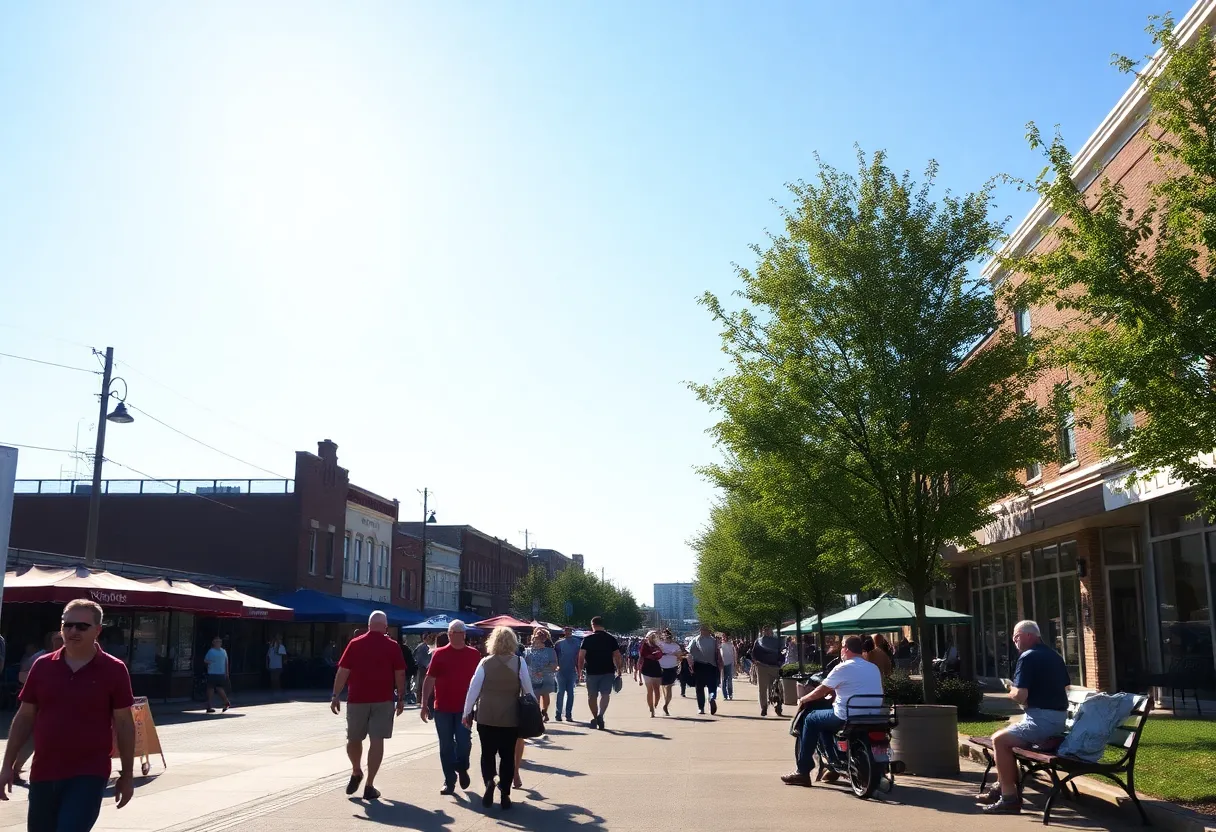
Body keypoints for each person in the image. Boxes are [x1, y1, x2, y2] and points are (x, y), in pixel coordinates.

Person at [0, 599, 136, 830]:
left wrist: (127, 775)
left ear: (97, 630)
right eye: (68, 625)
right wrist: (6, 766)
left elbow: (124, 724)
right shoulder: (42, 666)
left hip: (89, 773)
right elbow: (24, 717)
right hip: (44, 772)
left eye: (82, 626)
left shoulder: (114, 669)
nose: (73, 631)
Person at [980, 620, 1070, 815]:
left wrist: (1010, 691)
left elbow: (1020, 695)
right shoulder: (1055, 656)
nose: (1014, 641)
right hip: (1057, 719)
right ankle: (1001, 785)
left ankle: (1009, 798)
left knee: (1000, 741)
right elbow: (1065, 687)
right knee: (1000, 737)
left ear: (1029, 636)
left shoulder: (1028, 657)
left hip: (1041, 722)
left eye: (1016, 636)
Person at [781, 635, 884, 787]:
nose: (841, 650)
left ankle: (802, 771)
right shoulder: (872, 667)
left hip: (847, 715)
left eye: (842, 646)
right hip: (872, 714)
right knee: (824, 722)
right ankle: (833, 763)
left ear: (846, 649)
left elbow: (821, 690)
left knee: (811, 719)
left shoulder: (843, 667)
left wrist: (804, 699)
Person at [330, 611, 406, 802]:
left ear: (369, 625)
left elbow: (343, 671)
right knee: (377, 740)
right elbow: (400, 673)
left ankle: (356, 770)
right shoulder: (392, 646)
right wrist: (401, 697)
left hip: (357, 699)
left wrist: (335, 695)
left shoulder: (355, 644)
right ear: (385, 626)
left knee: (353, 738)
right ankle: (369, 785)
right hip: (383, 700)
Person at [463, 626, 534, 810]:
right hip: (510, 716)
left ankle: (489, 781)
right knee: (507, 755)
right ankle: (505, 793)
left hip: (486, 715)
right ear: (513, 642)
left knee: (487, 753)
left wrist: (466, 711)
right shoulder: (519, 662)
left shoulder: (485, 662)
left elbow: (473, 689)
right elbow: (528, 689)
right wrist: (534, 709)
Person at [421, 620, 479, 796]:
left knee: (464, 741)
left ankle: (462, 766)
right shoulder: (439, 654)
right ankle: (449, 780)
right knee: (446, 745)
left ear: (464, 635)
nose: (455, 635)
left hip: (465, 708)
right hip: (442, 707)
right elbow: (429, 679)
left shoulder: (474, 654)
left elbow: (480, 681)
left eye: (459, 632)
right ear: (449, 634)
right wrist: (424, 704)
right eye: (452, 633)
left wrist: (479, 702)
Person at [576, 616, 622, 730]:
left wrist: (580, 672)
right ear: (603, 624)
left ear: (593, 624)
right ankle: (601, 715)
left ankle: (595, 716)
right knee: (605, 694)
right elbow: (617, 656)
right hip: (608, 671)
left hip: (592, 671)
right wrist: (619, 670)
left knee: (592, 695)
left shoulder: (587, 639)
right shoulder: (611, 638)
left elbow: (581, 657)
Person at [687, 624, 723, 716]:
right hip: (711, 666)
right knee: (712, 686)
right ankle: (711, 699)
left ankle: (702, 707)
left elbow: (689, 651)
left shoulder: (696, 640)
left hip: (700, 666)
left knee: (700, 688)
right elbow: (718, 653)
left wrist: (690, 663)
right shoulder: (714, 641)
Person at [524, 628, 557, 721]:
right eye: (535, 637)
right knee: (535, 697)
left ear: (545, 639)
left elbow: (554, 665)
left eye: (539, 637)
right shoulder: (528, 651)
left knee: (545, 695)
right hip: (532, 677)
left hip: (546, 677)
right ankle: (538, 715)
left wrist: (543, 672)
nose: (536, 639)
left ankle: (544, 711)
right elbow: (524, 663)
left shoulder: (550, 651)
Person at [751, 625, 784, 717]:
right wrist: (755, 661)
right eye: (765, 630)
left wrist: (780, 662)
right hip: (762, 666)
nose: (766, 631)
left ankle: (777, 704)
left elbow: (782, 652)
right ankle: (764, 707)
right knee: (762, 688)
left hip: (774, 667)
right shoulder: (759, 641)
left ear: (771, 631)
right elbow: (753, 653)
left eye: (768, 630)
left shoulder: (777, 641)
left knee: (775, 687)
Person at [553, 626, 579, 722]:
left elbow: (578, 657)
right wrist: (556, 667)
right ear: (564, 632)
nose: (568, 632)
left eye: (569, 631)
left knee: (570, 693)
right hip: (561, 671)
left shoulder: (577, 642)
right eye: (566, 631)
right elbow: (555, 657)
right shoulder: (559, 643)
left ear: (572, 632)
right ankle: (558, 714)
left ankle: (568, 714)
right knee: (560, 692)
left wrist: (579, 670)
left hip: (572, 670)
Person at [203, 637, 232, 714]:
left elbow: (226, 662)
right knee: (214, 688)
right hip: (213, 672)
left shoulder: (223, 651)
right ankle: (211, 705)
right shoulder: (211, 651)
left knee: (215, 688)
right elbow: (205, 660)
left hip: (219, 673)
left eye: (220, 642)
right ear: (213, 643)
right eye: (217, 641)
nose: (219, 643)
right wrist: (210, 663)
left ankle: (224, 702)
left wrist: (227, 673)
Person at [657, 629, 682, 715]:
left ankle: (666, 704)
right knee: (663, 686)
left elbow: (680, 656)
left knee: (669, 687)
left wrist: (676, 654)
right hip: (661, 668)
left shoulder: (675, 646)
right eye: (665, 636)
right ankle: (664, 702)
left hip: (672, 667)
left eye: (668, 637)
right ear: (662, 637)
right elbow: (655, 653)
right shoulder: (659, 645)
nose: (667, 638)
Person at [639, 630, 663, 717]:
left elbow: (661, 655)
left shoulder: (658, 646)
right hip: (646, 669)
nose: (653, 637)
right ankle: (651, 709)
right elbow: (641, 658)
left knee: (657, 690)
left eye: (655, 636)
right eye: (652, 636)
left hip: (656, 669)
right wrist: (638, 674)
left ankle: (655, 704)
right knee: (649, 690)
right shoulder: (644, 645)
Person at [414, 634, 433, 700]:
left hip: (422, 666)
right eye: (428, 638)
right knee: (422, 683)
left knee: (421, 683)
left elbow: (415, 655)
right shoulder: (424, 647)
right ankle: (421, 698)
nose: (429, 639)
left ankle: (420, 698)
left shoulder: (420, 646)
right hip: (423, 667)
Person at [719, 633, 737, 701]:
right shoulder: (720, 645)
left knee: (729, 680)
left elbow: (735, 654)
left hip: (729, 663)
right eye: (722, 637)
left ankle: (730, 694)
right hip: (722, 664)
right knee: (723, 680)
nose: (723, 638)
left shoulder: (731, 645)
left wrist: (735, 662)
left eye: (725, 637)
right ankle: (725, 695)